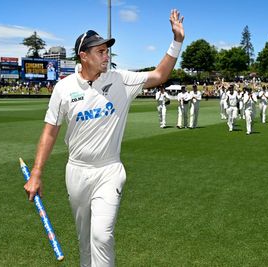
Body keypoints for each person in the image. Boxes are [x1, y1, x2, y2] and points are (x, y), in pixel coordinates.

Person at [23, 9, 184, 267]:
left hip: (109, 169)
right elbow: (50, 130)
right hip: (76, 171)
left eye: (107, 50)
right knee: (85, 239)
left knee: (102, 235)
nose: (106, 55)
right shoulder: (63, 88)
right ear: (83, 56)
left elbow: (159, 75)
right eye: (100, 51)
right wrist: (37, 172)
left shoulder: (121, 80)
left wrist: (176, 41)